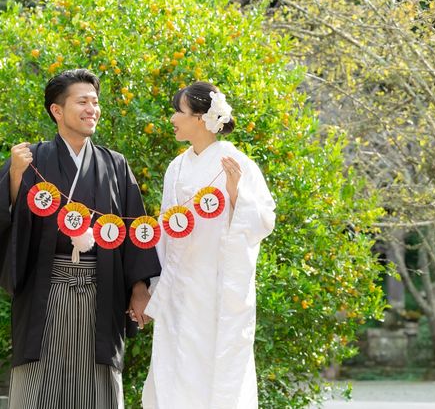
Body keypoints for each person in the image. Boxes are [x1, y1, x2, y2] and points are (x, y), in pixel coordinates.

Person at [0, 68, 161, 409]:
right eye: (83, 102)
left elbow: (135, 226)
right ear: (57, 110)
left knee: (96, 388)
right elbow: (10, 218)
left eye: (95, 102)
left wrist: (139, 288)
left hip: (101, 292)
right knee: (38, 387)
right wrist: (14, 175)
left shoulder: (115, 164)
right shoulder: (30, 159)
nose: (92, 109)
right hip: (47, 290)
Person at [142, 82, 276, 409]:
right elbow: (166, 225)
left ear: (200, 118)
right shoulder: (176, 167)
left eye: (179, 111)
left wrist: (235, 192)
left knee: (214, 364)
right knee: (175, 364)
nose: (173, 118)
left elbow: (263, 220)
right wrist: (153, 283)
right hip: (179, 284)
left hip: (216, 285)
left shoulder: (236, 161)